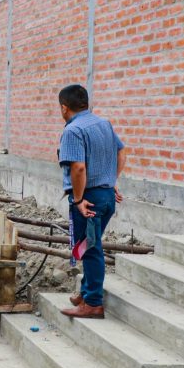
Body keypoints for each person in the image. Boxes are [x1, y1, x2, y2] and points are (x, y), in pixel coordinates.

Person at [57, 84, 126, 319]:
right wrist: (111, 180)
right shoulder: (104, 124)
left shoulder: (73, 130)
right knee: (88, 243)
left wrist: (78, 200)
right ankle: (87, 293)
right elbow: (121, 152)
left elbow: (78, 168)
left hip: (89, 198)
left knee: (91, 248)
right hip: (106, 196)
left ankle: (93, 303)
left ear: (64, 108)